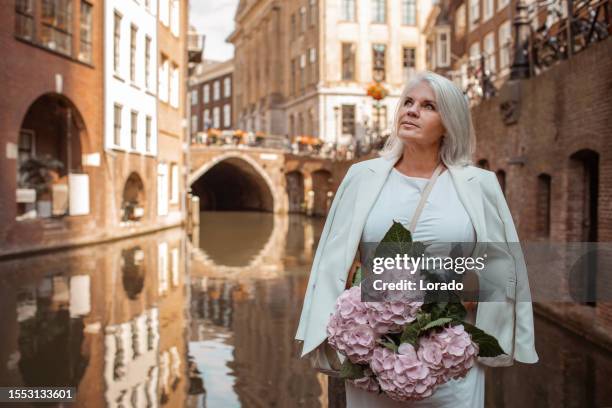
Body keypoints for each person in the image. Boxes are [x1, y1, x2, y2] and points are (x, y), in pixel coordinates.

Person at [295, 71, 538, 407]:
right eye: (407, 102)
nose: (411, 110)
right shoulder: (361, 178)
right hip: (375, 358)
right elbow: (333, 265)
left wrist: (447, 297)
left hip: (448, 356)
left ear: (449, 123)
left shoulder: (478, 185)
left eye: (428, 106)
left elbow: (501, 268)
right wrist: (355, 322)